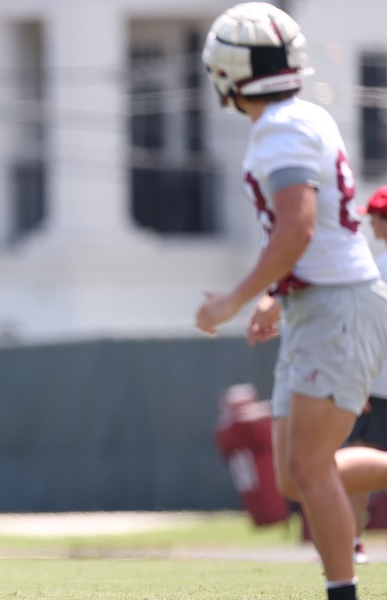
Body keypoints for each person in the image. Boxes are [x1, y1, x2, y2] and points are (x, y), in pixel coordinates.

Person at [196, 5, 387, 599]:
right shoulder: (298, 116)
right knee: (295, 475)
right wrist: (280, 295)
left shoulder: (281, 126)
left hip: (336, 305)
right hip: (320, 302)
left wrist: (234, 297)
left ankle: (341, 591)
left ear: (228, 72)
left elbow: (298, 227)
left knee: (309, 466)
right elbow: (323, 229)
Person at [346, 186, 387, 564]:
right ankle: (353, 542)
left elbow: (366, 332)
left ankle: (353, 542)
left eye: (373, 216)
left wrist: (357, 380)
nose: (369, 222)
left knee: (357, 461)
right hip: (375, 384)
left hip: (374, 385)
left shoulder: (378, 269)